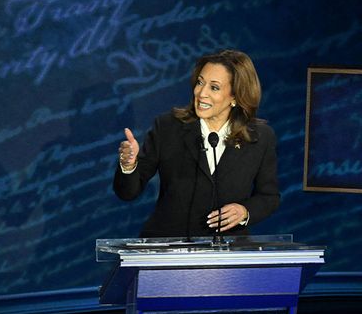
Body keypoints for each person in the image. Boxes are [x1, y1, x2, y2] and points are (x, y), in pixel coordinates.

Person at [113, 49, 280, 238]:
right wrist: (129, 166)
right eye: (200, 83)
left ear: (235, 96)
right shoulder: (168, 127)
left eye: (214, 87)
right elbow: (128, 192)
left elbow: (269, 196)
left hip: (227, 251)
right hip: (169, 248)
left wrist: (244, 211)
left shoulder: (260, 137)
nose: (201, 93)